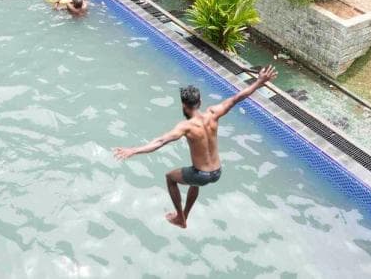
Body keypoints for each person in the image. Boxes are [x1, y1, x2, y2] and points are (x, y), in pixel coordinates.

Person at [114, 66, 278, 229]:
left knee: (170, 177)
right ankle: (184, 216)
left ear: (184, 106)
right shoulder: (214, 113)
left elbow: (160, 141)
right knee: (194, 178)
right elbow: (237, 98)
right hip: (217, 172)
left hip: (201, 175)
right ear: (200, 102)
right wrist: (259, 82)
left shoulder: (186, 126)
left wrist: (134, 150)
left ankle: (180, 217)